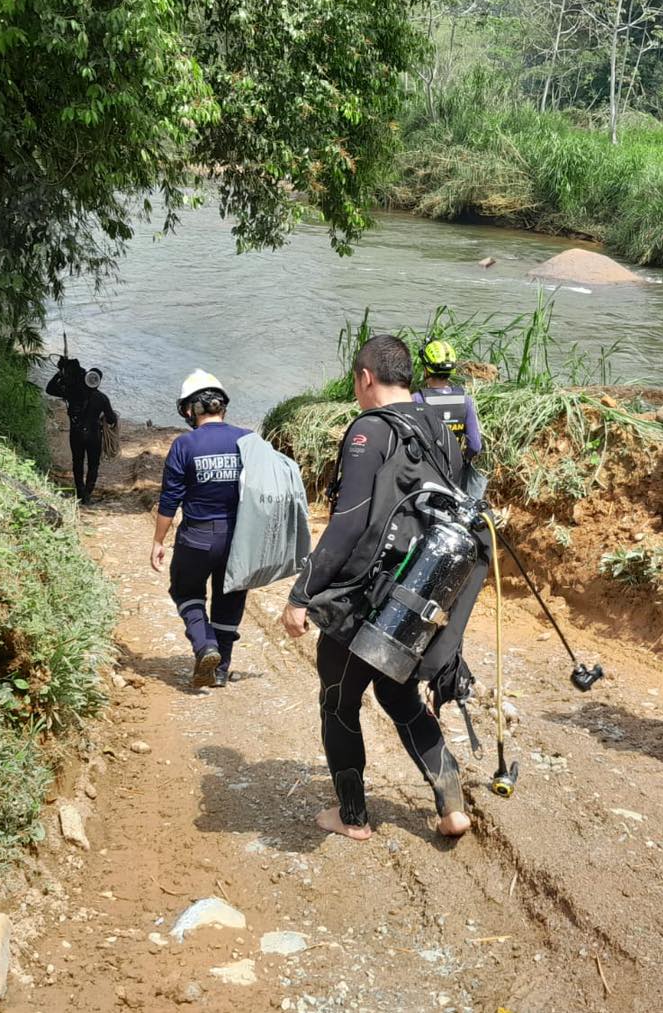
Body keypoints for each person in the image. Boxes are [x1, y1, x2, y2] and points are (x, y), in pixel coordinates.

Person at [282, 335, 473, 842]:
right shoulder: (439, 426)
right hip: (423, 592)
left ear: (366, 378)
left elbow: (348, 522)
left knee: (339, 702)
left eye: (356, 381)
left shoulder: (369, 429)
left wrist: (302, 594)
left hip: (368, 597)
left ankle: (350, 817)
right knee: (399, 693)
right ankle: (452, 805)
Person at [151, 370, 252, 688]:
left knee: (185, 591)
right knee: (229, 600)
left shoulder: (184, 445)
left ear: (189, 410)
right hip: (239, 538)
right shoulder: (248, 440)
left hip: (196, 537)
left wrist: (158, 540)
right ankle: (220, 670)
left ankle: (204, 645)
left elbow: (170, 499)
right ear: (222, 405)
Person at [46, 359, 118, 504]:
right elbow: (111, 420)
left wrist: (60, 373)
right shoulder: (102, 398)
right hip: (94, 436)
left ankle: (79, 491)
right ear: (98, 382)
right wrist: (104, 417)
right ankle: (87, 494)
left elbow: (50, 389)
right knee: (93, 465)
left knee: (77, 462)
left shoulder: (72, 392)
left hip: (76, 434)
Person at [412, 338, 482, 461]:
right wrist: (462, 462)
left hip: (426, 471)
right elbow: (475, 446)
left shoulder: (417, 399)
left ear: (426, 370)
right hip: (455, 472)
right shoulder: (465, 401)